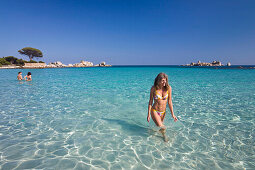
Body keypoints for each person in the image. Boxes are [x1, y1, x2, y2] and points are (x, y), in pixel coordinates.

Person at [147, 73, 178, 141]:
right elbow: (150, 101)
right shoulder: (153, 88)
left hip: (163, 112)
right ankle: (164, 138)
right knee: (162, 127)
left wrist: (173, 114)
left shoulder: (168, 88)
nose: (164, 82)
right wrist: (148, 114)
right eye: (163, 80)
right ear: (158, 80)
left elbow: (170, 102)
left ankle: (153, 134)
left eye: (165, 80)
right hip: (155, 111)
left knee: (159, 126)